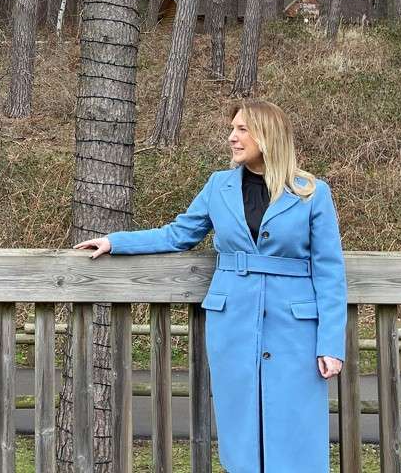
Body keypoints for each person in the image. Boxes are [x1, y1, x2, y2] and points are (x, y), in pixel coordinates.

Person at [74, 99, 347, 473]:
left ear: (267, 136)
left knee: (297, 425)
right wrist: (116, 242)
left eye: (241, 130)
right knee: (240, 425)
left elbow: (330, 272)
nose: (231, 138)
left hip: (296, 329)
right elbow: (179, 234)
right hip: (232, 323)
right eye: (232, 129)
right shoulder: (219, 186)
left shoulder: (312, 192)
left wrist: (330, 343)